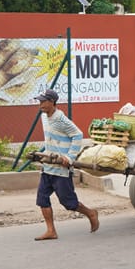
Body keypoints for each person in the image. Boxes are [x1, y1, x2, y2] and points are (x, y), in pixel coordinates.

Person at [33, 89, 99, 240]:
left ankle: (90, 213)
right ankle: (51, 231)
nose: (40, 104)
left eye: (43, 101)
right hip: (48, 166)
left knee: (68, 202)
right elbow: (50, 139)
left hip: (61, 170)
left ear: (52, 102)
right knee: (42, 198)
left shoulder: (61, 120)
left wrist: (69, 158)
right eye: (40, 101)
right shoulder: (44, 117)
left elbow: (78, 135)